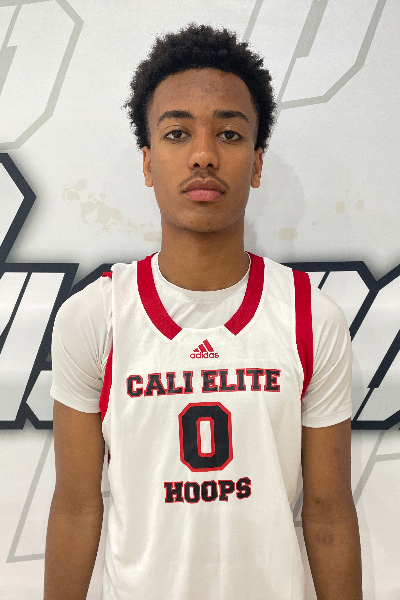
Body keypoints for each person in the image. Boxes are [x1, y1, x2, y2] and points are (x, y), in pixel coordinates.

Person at [44, 24, 362, 600]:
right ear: (147, 162)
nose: (203, 155)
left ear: (257, 163)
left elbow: (328, 514)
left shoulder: (311, 318)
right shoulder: (95, 317)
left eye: (230, 134)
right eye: (177, 133)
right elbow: (76, 506)